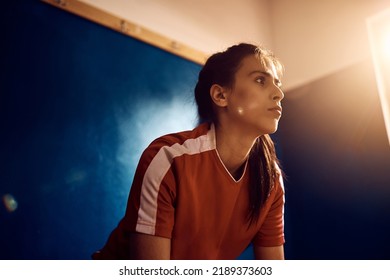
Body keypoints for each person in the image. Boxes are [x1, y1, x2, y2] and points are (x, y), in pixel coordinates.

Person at [93, 42, 286, 260]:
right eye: (261, 80)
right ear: (221, 96)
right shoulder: (168, 158)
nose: (279, 93)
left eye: (278, 84)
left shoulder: (271, 180)